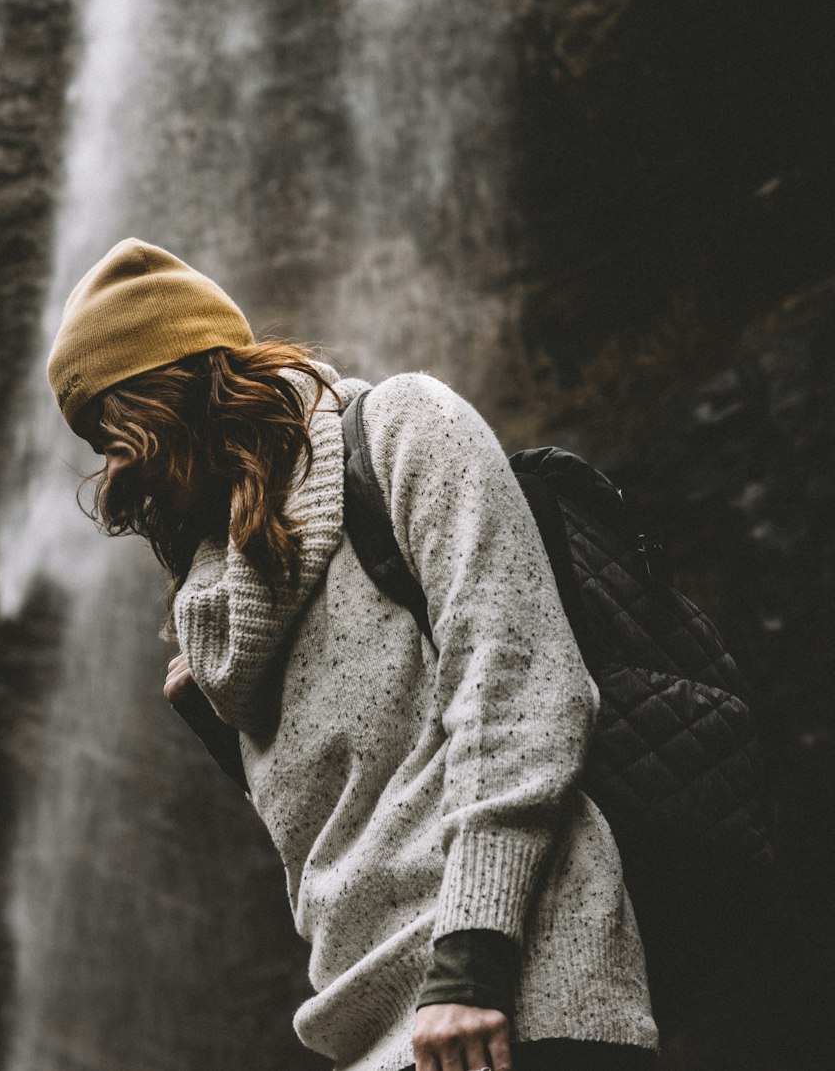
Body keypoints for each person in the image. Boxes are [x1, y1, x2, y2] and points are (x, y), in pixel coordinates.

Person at [46, 238, 660, 1071]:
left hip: (520, 1002)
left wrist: (469, 971)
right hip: (375, 1029)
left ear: (173, 392)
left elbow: (520, 686)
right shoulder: (218, 605)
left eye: (113, 432)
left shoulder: (406, 427)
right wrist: (222, 731)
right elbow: (344, 829)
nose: (111, 470)